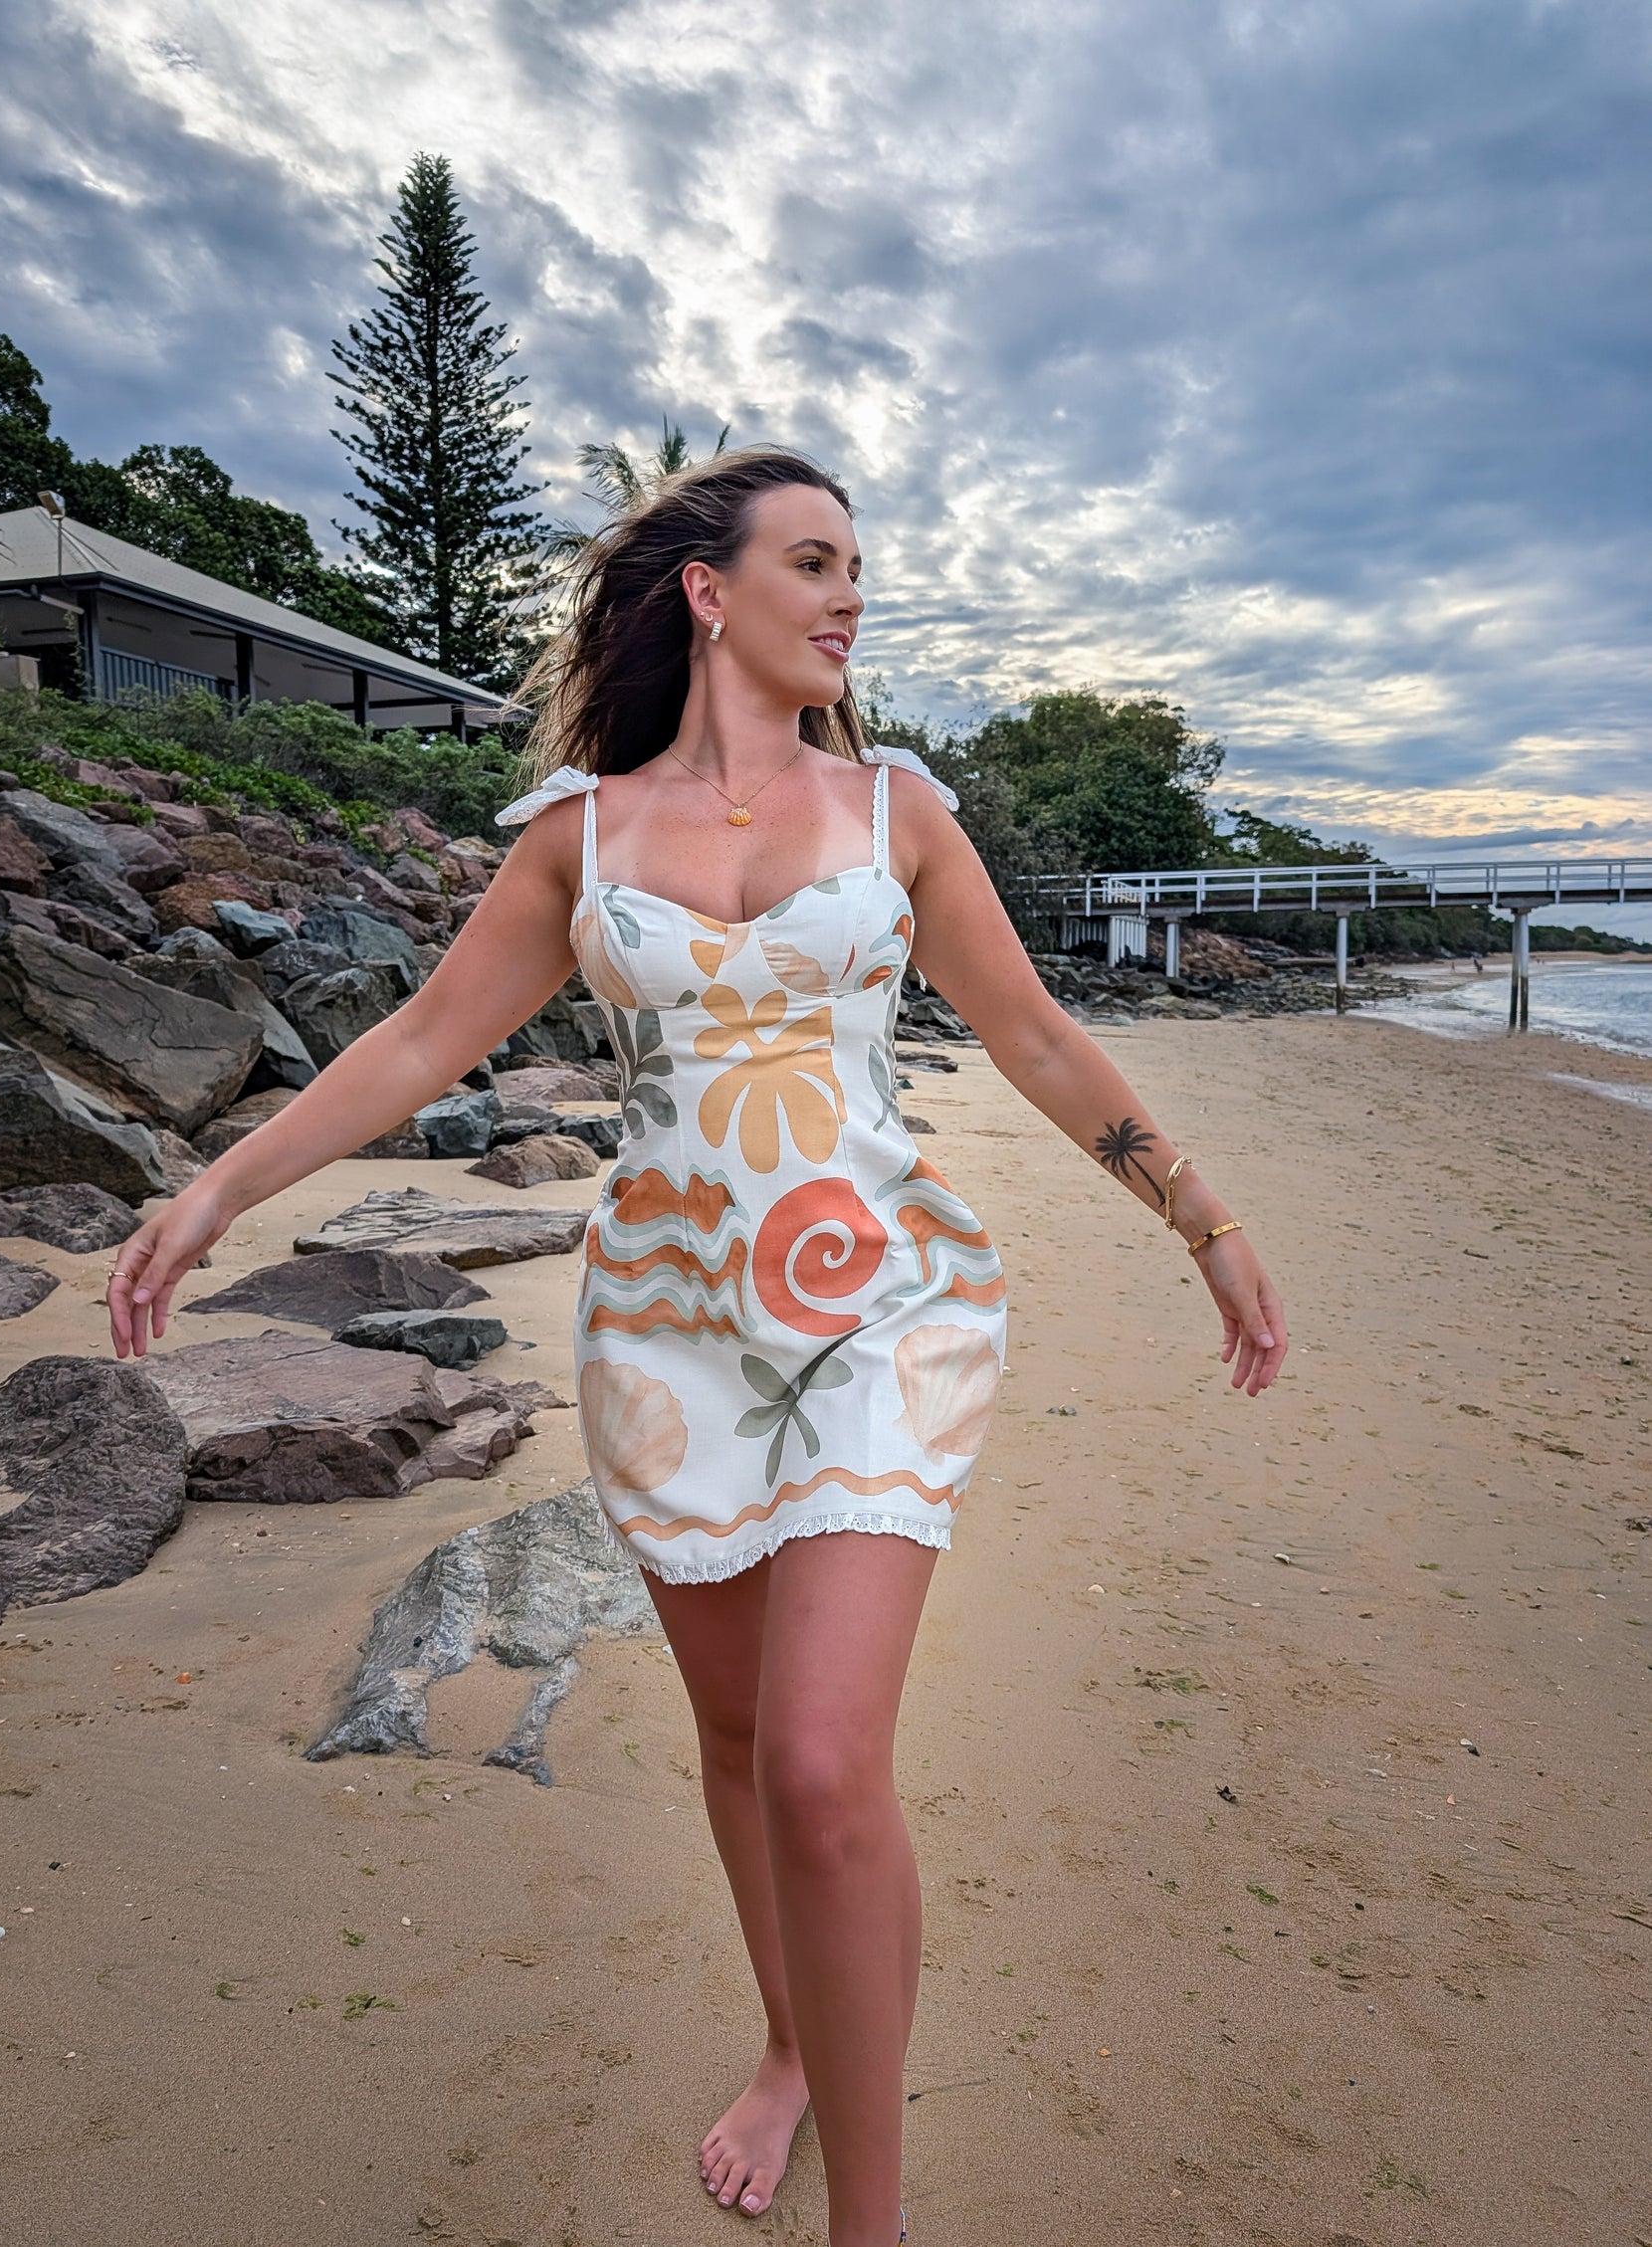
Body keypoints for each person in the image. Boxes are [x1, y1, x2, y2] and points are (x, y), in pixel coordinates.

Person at [107, 444, 1287, 2247]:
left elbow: (1036, 1037)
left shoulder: (898, 807)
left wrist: (1199, 1214)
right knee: (742, 1744)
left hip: (880, 1305)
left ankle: (867, 2227)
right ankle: (792, 2044)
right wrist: (217, 1189)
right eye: (814, 561)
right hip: (670, 1333)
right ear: (709, 592)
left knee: (822, 1757)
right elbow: (424, 1043)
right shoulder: (579, 838)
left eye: (858, 570)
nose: (848, 596)